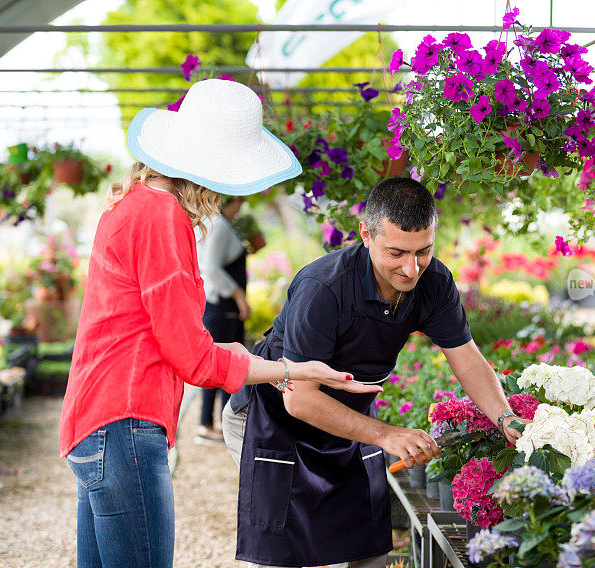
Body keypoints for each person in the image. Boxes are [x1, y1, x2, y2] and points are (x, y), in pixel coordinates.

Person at [58, 79, 381, 568]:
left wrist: (263, 360)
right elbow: (192, 358)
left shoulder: (128, 203)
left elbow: (158, 334)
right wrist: (294, 370)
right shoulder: (162, 216)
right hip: (125, 422)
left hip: (93, 419)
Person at [223, 176, 529, 568]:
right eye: (397, 252)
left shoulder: (434, 282)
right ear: (366, 234)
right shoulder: (325, 287)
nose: (411, 267)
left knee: (367, 549)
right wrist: (387, 434)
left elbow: (466, 357)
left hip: (346, 413)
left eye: (424, 251)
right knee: (297, 550)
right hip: (276, 414)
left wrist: (504, 417)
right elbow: (300, 400)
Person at [194, 196, 255, 445]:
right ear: (230, 202)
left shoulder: (215, 223)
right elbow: (211, 268)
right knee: (219, 364)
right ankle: (206, 425)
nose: (241, 208)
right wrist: (239, 297)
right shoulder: (218, 224)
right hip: (222, 306)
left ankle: (214, 422)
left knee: (221, 364)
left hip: (220, 307)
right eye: (239, 202)